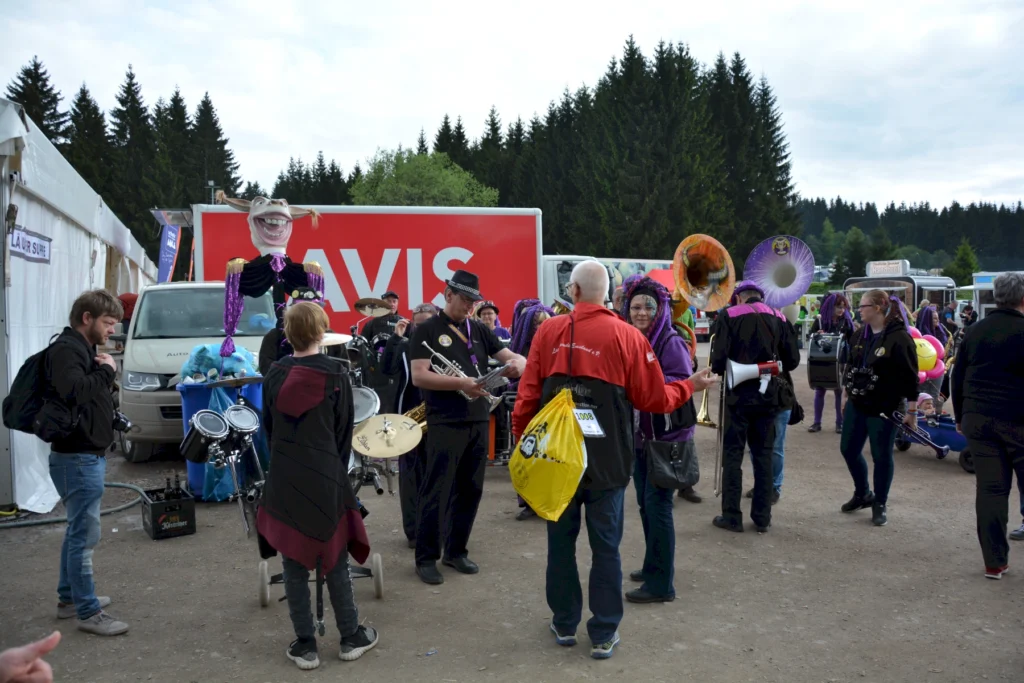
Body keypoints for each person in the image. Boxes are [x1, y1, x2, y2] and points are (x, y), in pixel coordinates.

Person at [512, 260, 717, 660]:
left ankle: (565, 623)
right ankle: (604, 633)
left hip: (555, 461)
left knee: (560, 543)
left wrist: (524, 445)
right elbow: (654, 400)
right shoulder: (627, 336)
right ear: (607, 294)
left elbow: (527, 395)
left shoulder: (548, 331)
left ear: (572, 292)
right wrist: (688, 387)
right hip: (609, 462)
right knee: (606, 547)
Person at [258, 302, 378, 669]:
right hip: (326, 473)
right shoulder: (337, 375)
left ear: (287, 333)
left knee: (293, 563)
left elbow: (270, 429)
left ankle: (305, 645)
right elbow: (344, 432)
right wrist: (333, 468)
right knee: (335, 559)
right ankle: (350, 636)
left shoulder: (273, 375)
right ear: (322, 332)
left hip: (285, 475)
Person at [409, 270, 526, 585]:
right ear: (447, 295)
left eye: (474, 301)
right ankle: (426, 557)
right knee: (437, 488)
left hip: (477, 417)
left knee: (471, 489)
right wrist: (461, 382)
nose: (471, 307)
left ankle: (456, 551)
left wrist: (518, 363)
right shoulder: (426, 330)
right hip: (444, 420)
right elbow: (419, 375)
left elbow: (510, 356)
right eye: (465, 300)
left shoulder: (479, 329)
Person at [45, 290, 128, 636]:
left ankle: (69, 599)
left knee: (77, 530)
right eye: (108, 323)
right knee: (84, 535)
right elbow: (74, 391)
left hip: (81, 457)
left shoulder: (77, 349)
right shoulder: (66, 351)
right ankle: (87, 611)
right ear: (87, 318)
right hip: (77, 459)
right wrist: (107, 372)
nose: (111, 330)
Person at [620, 276, 697, 604]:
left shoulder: (671, 341)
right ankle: (655, 565)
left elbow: (680, 383)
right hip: (640, 437)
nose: (641, 312)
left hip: (666, 438)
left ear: (660, 308)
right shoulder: (633, 338)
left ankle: (661, 584)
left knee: (658, 506)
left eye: (648, 307)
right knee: (645, 506)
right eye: (635, 306)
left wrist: (637, 379)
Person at [710, 281, 799, 534]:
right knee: (763, 456)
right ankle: (762, 517)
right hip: (768, 397)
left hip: (737, 397)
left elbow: (718, 361)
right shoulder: (779, 317)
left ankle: (731, 517)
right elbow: (791, 361)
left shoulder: (729, 315)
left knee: (732, 456)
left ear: (739, 298)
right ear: (760, 297)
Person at [951, 272, 1024, 578]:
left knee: (991, 490)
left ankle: (995, 562)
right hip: (1018, 419)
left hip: (978, 419)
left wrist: (959, 416)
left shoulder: (975, 331)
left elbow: (957, 375)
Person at [839, 289, 919, 528]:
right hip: (858, 403)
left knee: (881, 456)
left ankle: (880, 503)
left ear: (878, 307)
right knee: (848, 449)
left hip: (885, 407)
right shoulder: (858, 335)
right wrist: (845, 394)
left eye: (862, 306)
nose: (858, 310)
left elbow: (910, 377)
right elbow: (851, 366)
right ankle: (863, 493)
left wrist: (912, 412)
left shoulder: (899, 338)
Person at [382, 303, 438, 547]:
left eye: (427, 320)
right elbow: (386, 369)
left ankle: (438, 528)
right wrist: (395, 339)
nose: (421, 325)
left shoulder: (447, 346)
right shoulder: (405, 346)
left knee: (439, 475)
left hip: (440, 417)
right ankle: (414, 532)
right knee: (410, 476)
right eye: (418, 321)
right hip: (409, 419)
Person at [506, 300, 554, 520]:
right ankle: (528, 502)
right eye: (536, 324)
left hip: (550, 411)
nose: (540, 328)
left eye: (544, 324)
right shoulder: (521, 352)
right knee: (527, 454)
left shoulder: (555, 348)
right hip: (527, 410)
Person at [258, 287, 343, 375]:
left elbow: (345, 365)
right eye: (303, 312)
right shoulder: (274, 336)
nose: (308, 317)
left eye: (312, 312)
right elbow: (265, 368)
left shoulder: (332, 336)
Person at [808, 293, 855, 434]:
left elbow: (853, 340)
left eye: (843, 307)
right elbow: (810, 337)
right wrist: (816, 334)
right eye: (838, 307)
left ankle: (839, 423)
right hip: (822, 360)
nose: (841, 310)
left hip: (840, 360)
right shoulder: (820, 321)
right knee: (820, 389)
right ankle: (817, 422)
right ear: (830, 307)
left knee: (839, 391)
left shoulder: (846, 322)